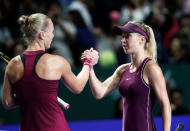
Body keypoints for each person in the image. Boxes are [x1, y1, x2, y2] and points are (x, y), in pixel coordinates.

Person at [2, 13, 98, 131]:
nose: (52, 36)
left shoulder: (12, 65)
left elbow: (7, 102)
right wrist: (88, 63)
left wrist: (28, 95)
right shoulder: (57, 61)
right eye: (51, 32)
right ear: (42, 35)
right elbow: (78, 87)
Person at [82, 21, 171, 131]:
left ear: (142, 40)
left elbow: (165, 104)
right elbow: (99, 93)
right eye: (122, 37)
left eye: (127, 36)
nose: (123, 40)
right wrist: (89, 66)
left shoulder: (151, 68)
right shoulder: (122, 70)